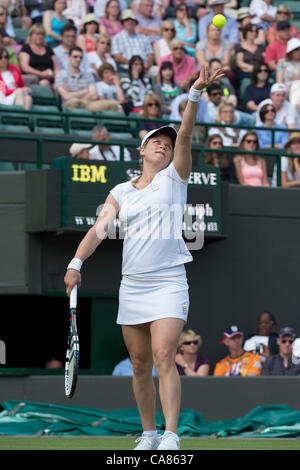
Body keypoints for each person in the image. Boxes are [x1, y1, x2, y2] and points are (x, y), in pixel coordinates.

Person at [64, 65, 224, 451]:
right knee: (139, 365)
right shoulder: (122, 190)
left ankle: (171, 435)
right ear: (142, 149)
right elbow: (100, 228)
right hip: (132, 285)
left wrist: (195, 94)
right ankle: (149, 434)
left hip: (169, 280)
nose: (164, 145)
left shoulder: (176, 177)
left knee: (164, 354)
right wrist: (75, 263)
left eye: (167, 144)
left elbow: (184, 132)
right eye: (157, 141)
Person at [111, 9, 154, 74]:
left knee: (157, 70)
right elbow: (117, 57)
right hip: (127, 67)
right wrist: (134, 64)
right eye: (127, 20)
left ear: (135, 22)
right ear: (123, 22)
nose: (130, 21)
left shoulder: (144, 37)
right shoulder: (116, 38)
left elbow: (150, 54)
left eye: (132, 20)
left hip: (145, 67)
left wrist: (147, 64)